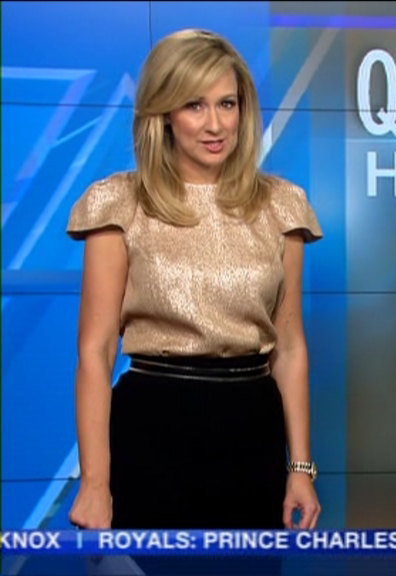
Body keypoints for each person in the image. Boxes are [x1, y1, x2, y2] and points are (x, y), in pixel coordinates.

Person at [65, 27, 323, 553]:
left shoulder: (282, 205)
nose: (215, 124)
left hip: (253, 434)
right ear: (163, 114)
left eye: (227, 104)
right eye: (194, 105)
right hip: (151, 431)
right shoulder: (119, 202)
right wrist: (94, 482)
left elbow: (290, 347)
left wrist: (300, 468)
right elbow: (96, 350)